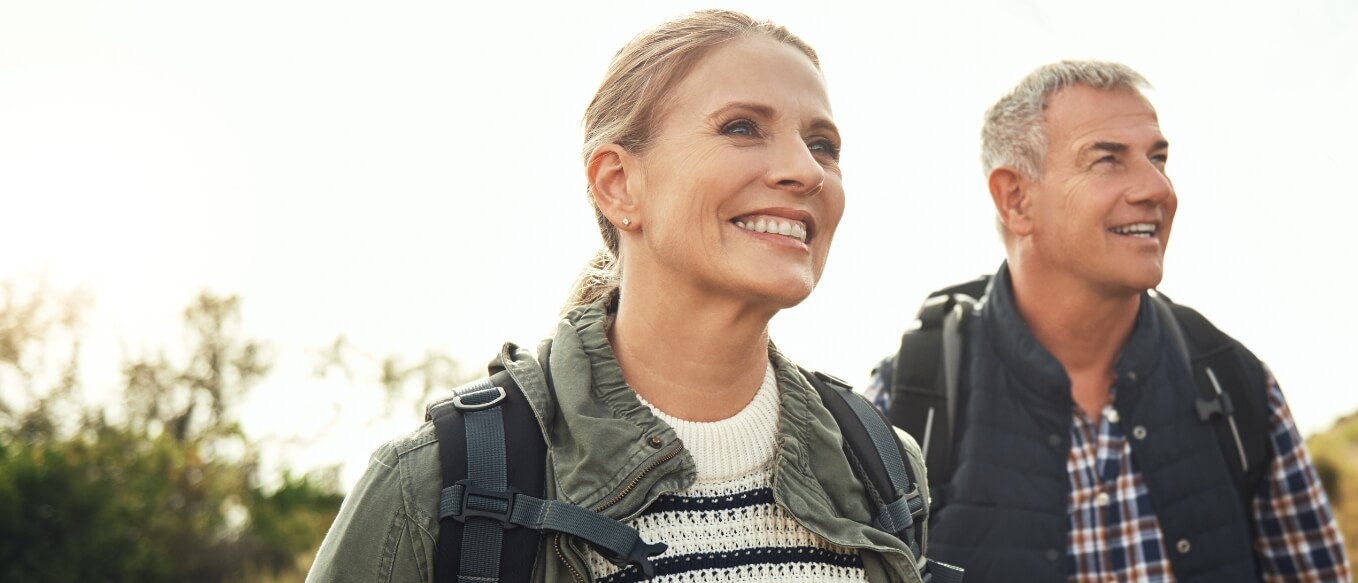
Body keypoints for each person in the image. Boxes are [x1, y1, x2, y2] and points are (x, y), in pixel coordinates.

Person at [309, 10, 942, 583]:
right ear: (618, 185)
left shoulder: (884, 465)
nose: (804, 170)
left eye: (822, 145)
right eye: (743, 127)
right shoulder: (435, 485)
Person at [867, 61, 1350, 582]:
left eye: (1158, 158)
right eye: (1108, 160)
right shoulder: (905, 404)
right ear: (1016, 199)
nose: (1158, 188)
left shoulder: (1237, 383)